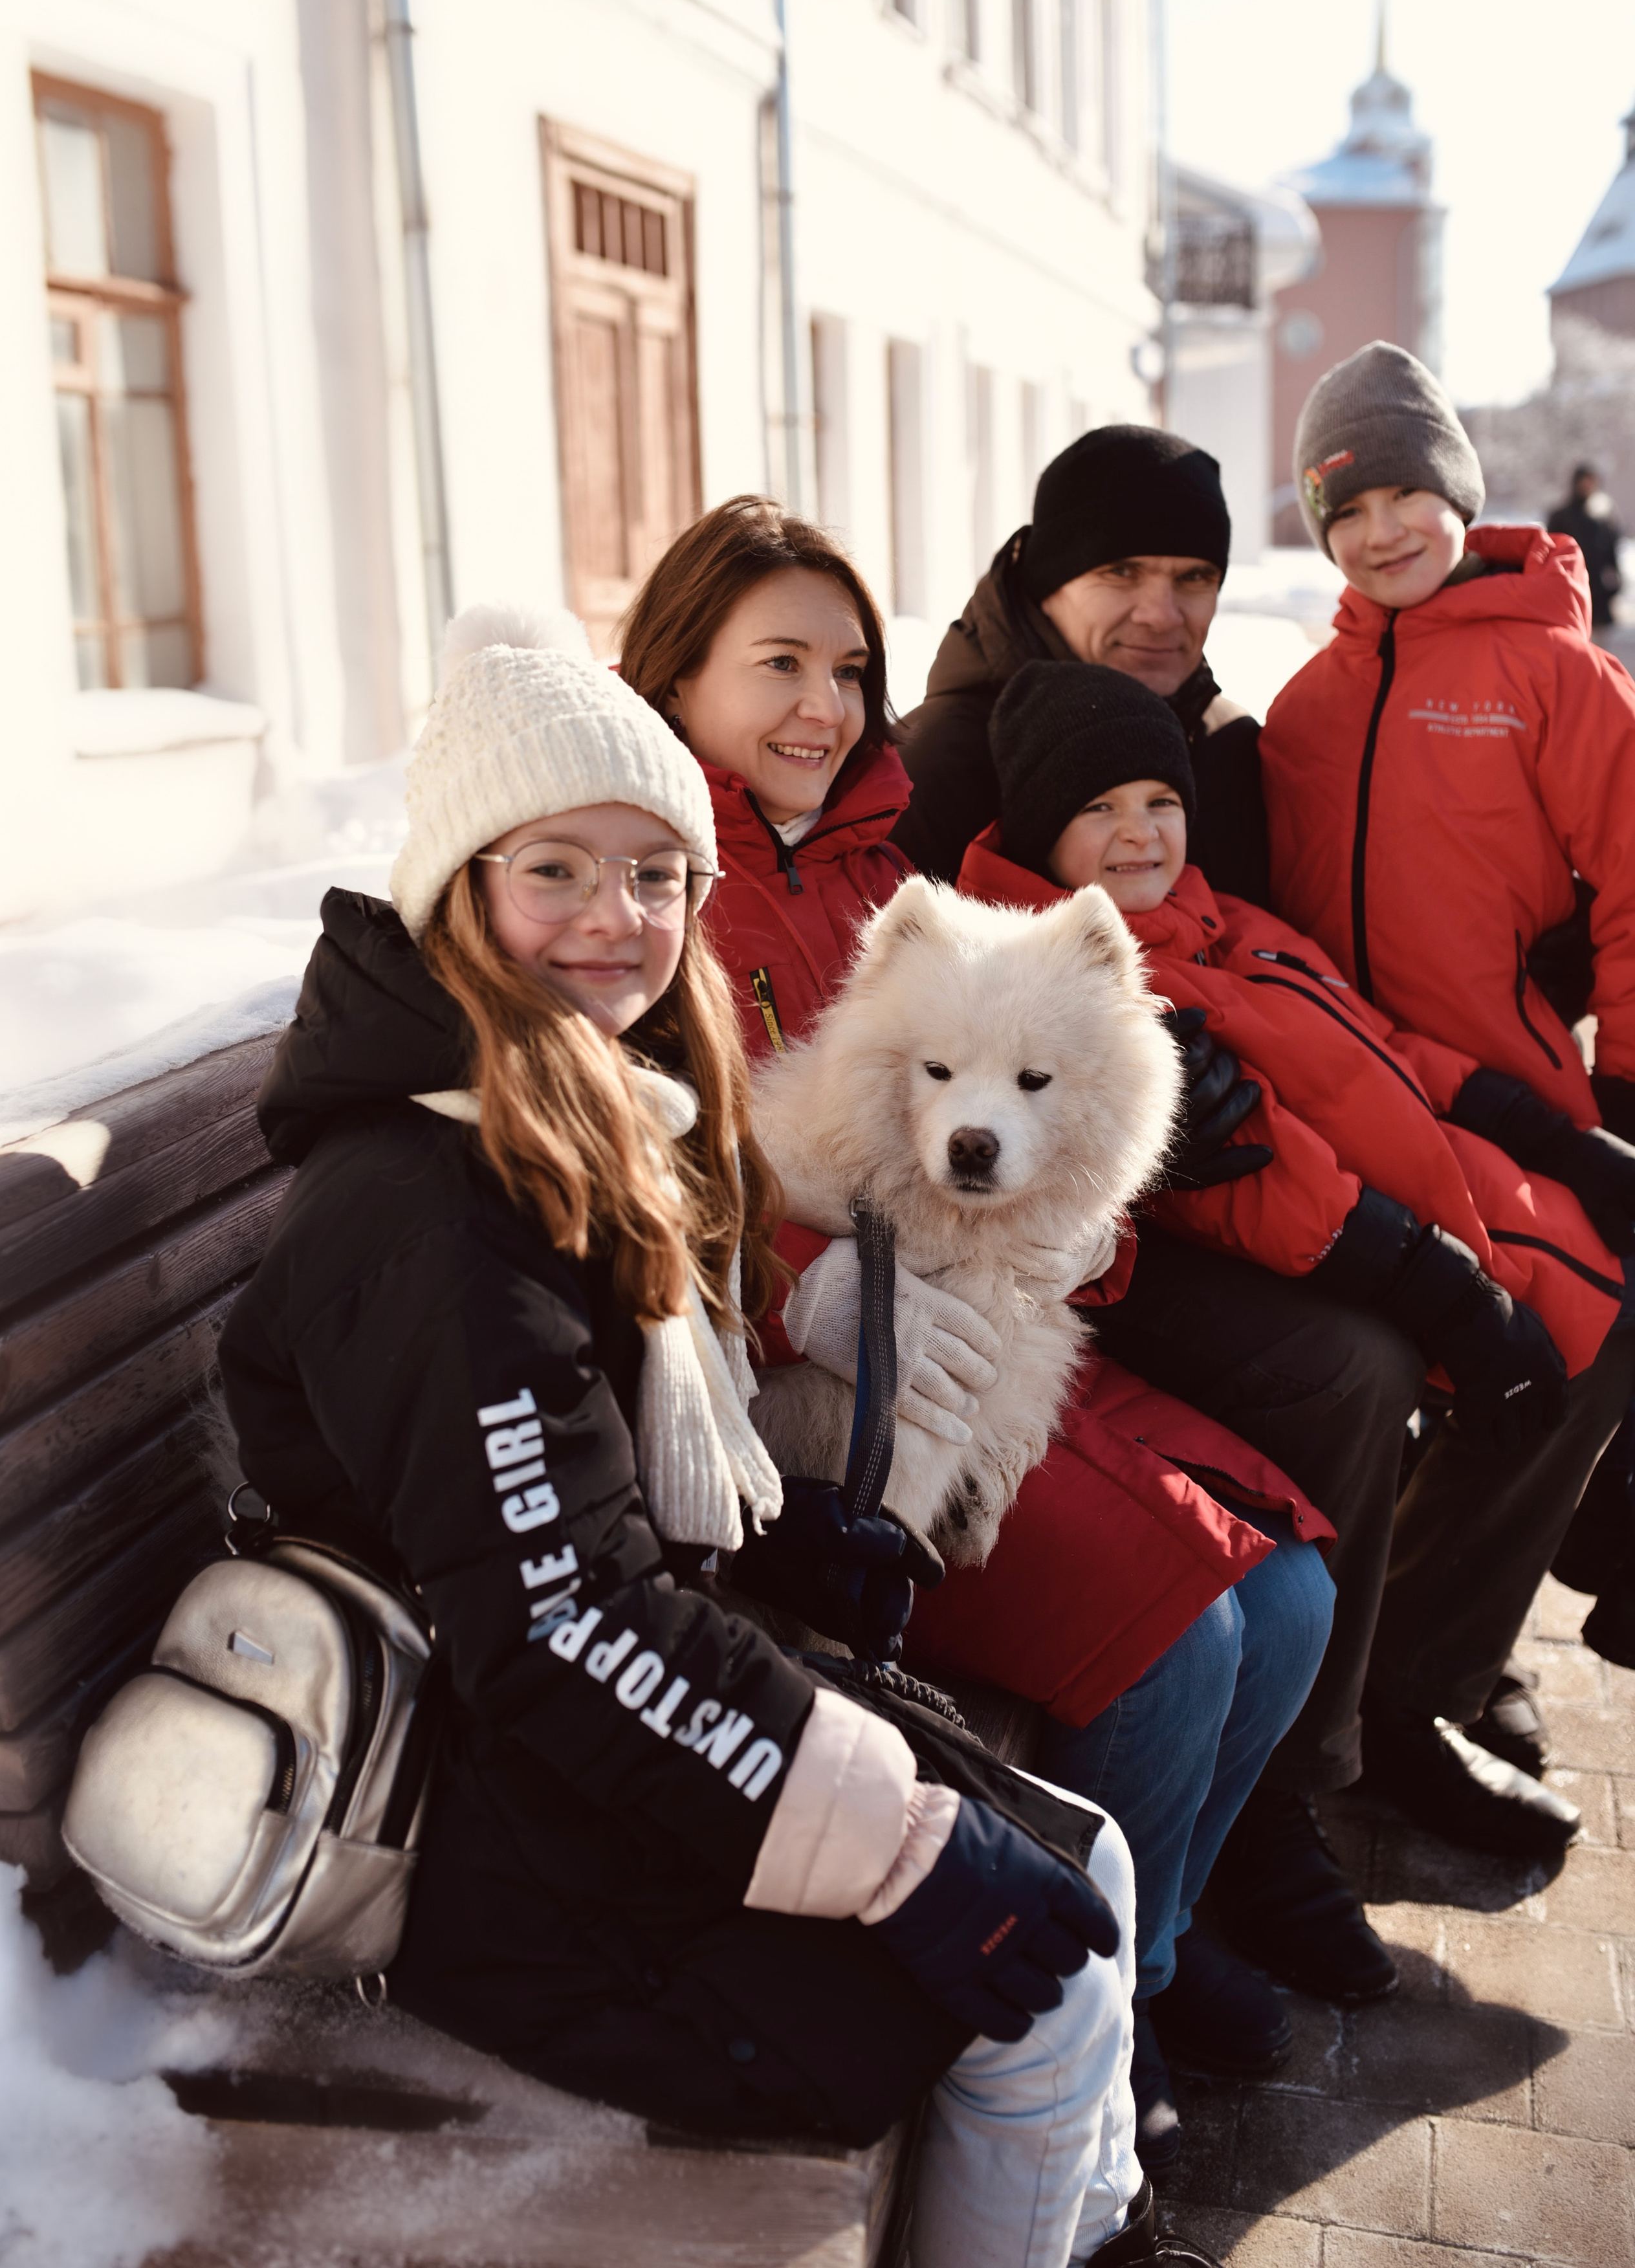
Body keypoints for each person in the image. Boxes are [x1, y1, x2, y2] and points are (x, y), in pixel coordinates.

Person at [216, 608, 1211, 2268]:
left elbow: (584, 1501)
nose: (618, 920)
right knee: (1035, 1974)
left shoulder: (583, 1101)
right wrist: (901, 1851)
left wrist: (777, 1535)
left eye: (658, 873)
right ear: (460, 886)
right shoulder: (425, 1203)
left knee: (1081, 1857)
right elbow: (552, 1625)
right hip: (498, 1827)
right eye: (556, 870)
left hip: (580, 1742)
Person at [619, 499, 1341, 2170]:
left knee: (1288, 1588)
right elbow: (638, 1169)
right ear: (679, 676)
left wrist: (1090, 1241)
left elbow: (1051, 1102)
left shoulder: (881, 863)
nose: (823, 704)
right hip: (818, 1399)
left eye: (849, 667)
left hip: (986, 1344)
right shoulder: (651, 884)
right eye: (777, 663)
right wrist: (798, 1279)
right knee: (1178, 1640)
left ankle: (1149, 1934)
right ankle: (1102, 2008)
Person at [971, 660, 1635, 1895]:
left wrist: (1561, 1138)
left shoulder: (1225, 918)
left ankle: (1422, 1674)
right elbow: (1259, 1181)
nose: (1138, 832)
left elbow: (1390, 1045)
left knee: (1612, 1311)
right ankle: (1357, 1726)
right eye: (1099, 808)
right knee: (1489, 1354)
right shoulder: (1077, 973)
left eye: (1158, 800)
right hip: (1345, 1238)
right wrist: (1444, 1287)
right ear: (1038, 829)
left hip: (1440, 1199)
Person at [1262, 345, 1635, 1676]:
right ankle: (1423, 1670)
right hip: (1349, 1100)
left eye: (1399, 498)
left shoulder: (1554, 677)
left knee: (1579, 1332)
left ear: (1458, 495)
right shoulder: (1302, 711)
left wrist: (1621, 1070)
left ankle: (1434, 1665)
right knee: (1460, 1361)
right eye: (1340, 512)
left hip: (1513, 1107)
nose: (1375, 534)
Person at [893, 426, 1269, 901]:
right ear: (1046, 585)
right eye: (1121, 572)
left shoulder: (1228, 745)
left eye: (1194, 577)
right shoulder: (935, 766)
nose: (1161, 615)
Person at [1547, 463, 1623, 633]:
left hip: (1598, 592)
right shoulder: (1561, 517)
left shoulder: (1603, 517)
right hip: (1569, 588)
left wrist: (1615, 581)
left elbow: (1611, 551)